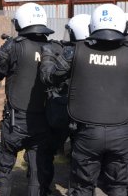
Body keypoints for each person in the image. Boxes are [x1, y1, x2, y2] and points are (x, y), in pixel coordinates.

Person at [41, 4, 128, 196]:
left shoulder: (76, 51)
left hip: (87, 133)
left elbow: (50, 77)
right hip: (121, 131)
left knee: (82, 187)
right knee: (119, 187)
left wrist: (47, 55)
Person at [0, 2, 54, 196]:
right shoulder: (52, 46)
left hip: (15, 122)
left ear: (20, 22)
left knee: (4, 167)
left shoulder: (13, 46)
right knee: (38, 169)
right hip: (42, 119)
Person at [39, 14, 91, 194]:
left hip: (65, 112)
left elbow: (49, 76)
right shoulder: (99, 52)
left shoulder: (72, 52)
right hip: (89, 115)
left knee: (46, 150)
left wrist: (47, 56)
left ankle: (42, 188)